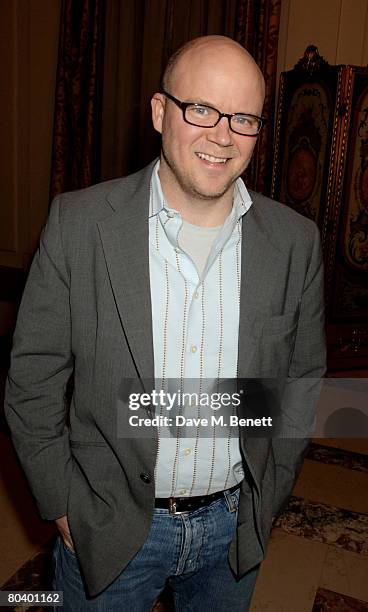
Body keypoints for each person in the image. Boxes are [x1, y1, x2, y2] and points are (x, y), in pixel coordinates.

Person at [4, 35, 326, 611]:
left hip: (233, 527)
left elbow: (301, 381)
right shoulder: (79, 224)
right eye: (200, 108)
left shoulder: (296, 243)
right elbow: (33, 378)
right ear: (160, 111)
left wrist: (270, 493)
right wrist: (59, 500)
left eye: (244, 118)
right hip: (111, 524)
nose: (222, 134)